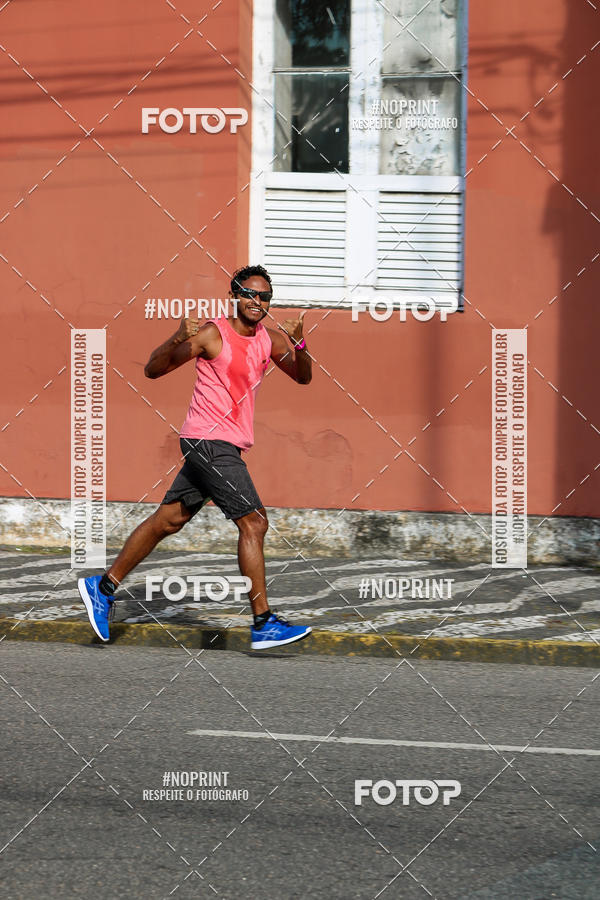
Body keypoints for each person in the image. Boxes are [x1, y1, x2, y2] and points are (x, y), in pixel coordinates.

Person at [77, 264, 312, 650]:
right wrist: (174, 337)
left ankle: (102, 587)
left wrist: (300, 344)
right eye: (251, 294)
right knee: (254, 524)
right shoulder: (211, 334)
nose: (258, 302)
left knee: (167, 521)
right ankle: (263, 622)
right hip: (208, 441)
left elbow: (303, 378)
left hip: (227, 445)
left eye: (265, 296)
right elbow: (154, 370)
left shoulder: (268, 340)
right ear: (235, 296)